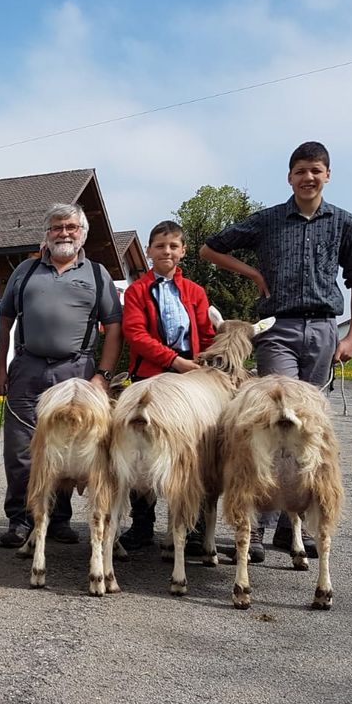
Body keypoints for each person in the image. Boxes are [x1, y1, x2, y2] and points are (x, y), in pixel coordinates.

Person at [199, 140, 352, 561]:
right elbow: (209, 248)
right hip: (278, 328)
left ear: (327, 175)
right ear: (289, 177)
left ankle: (290, 527)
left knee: (307, 427)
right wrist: (253, 273)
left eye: (315, 170)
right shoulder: (269, 220)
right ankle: (256, 524)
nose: (308, 178)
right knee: (273, 417)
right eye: (300, 171)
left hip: (324, 330)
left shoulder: (344, 223)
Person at [0, 202, 124, 549]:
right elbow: (4, 321)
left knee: (68, 446)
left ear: (83, 234)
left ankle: (59, 520)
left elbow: (114, 327)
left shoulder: (97, 273)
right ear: (46, 234)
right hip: (27, 368)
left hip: (76, 371)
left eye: (71, 227)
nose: (63, 233)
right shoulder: (25, 271)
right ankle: (21, 520)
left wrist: (103, 375)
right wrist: (0, 367)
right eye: (56, 227)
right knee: (21, 449)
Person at [117, 220, 217, 551]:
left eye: (174, 246)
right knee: (141, 446)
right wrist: (172, 360)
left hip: (190, 380)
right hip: (150, 377)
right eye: (160, 246)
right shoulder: (136, 291)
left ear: (183, 251)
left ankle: (192, 524)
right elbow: (136, 334)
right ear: (149, 251)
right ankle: (142, 524)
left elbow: (206, 333)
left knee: (193, 449)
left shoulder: (195, 292)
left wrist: (204, 363)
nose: (167, 251)